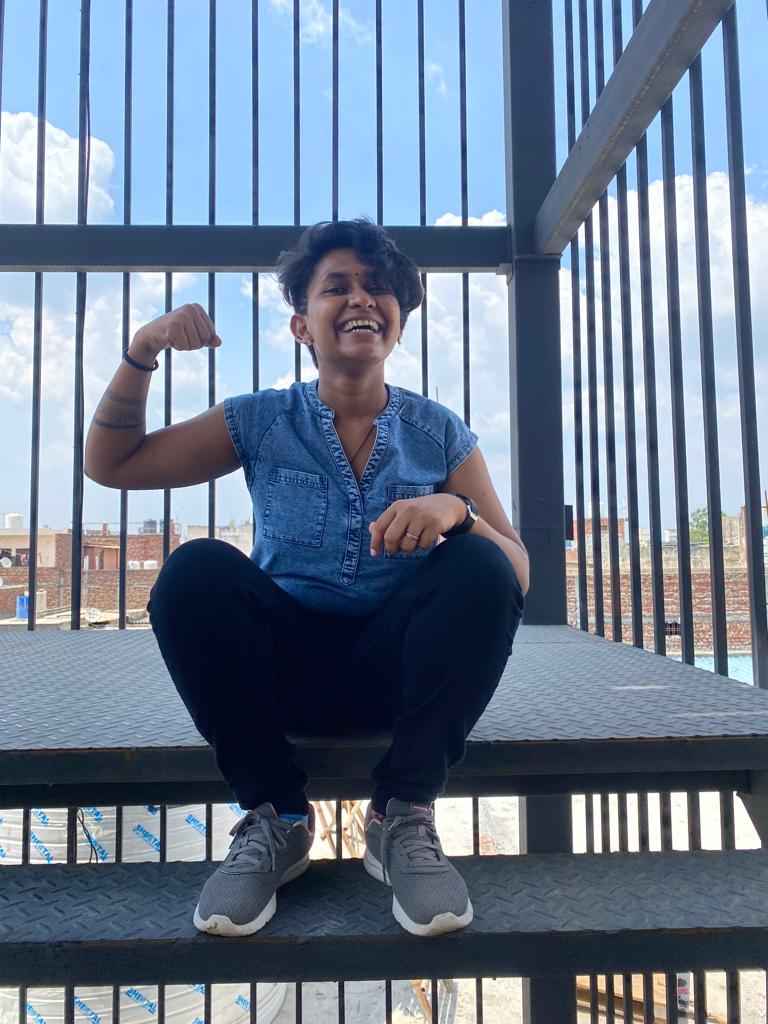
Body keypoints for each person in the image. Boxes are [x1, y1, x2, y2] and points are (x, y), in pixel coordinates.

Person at [84, 219, 528, 940]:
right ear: (301, 325)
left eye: (378, 287)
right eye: (337, 287)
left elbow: (516, 569)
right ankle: (277, 818)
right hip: (283, 673)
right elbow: (113, 464)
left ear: (398, 321)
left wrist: (458, 511)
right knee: (194, 570)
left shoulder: (438, 432)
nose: (362, 298)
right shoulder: (262, 420)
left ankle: (403, 816)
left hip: (400, 677)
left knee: (479, 560)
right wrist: (142, 351)